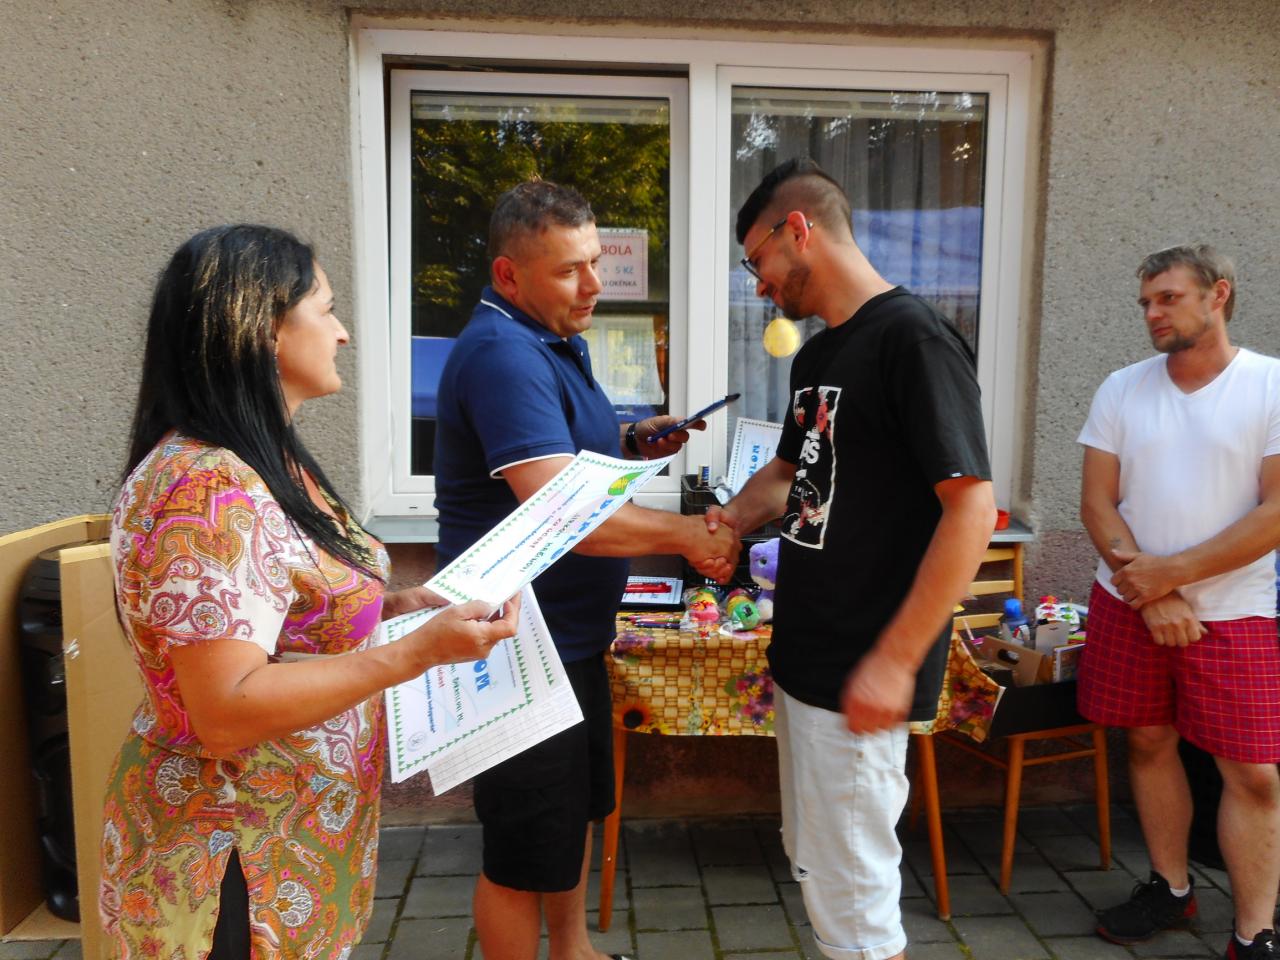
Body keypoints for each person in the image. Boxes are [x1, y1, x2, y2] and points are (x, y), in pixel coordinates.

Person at [101, 225, 519, 960]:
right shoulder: (207, 488)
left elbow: (279, 608)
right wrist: (416, 653)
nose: (343, 332)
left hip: (286, 837)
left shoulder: (260, 458)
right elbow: (225, 709)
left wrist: (389, 607)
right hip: (230, 858)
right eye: (325, 310)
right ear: (264, 328)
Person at [432, 179, 739, 960]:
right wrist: (688, 536)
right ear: (508, 276)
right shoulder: (502, 354)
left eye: (596, 261)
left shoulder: (546, 340)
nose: (595, 284)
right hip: (515, 651)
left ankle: (574, 955)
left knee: (566, 823)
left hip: (567, 642)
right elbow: (559, 516)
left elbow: (563, 463)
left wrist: (630, 442)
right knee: (519, 854)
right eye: (570, 270)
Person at [704, 157, 996, 960]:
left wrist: (896, 661)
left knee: (858, 907)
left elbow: (972, 509)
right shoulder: (819, 357)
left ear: (797, 229)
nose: (758, 284)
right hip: (807, 658)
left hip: (864, 670)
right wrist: (725, 521)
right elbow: (787, 475)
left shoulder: (914, 340)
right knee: (821, 873)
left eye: (756, 261)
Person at [1078, 244, 1280, 959]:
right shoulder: (1121, 389)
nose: (1153, 313)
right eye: (1146, 302)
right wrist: (1149, 592)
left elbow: (1276, 512)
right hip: (1129, 603)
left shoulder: (1270, 385)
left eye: (1168, 298)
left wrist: (1171, 577)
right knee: (1147, 741)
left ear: (1218, 294)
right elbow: (1098, 502)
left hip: (1236, 610)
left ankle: (1254, 933)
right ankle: (1170, 889)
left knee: (1252, 773)